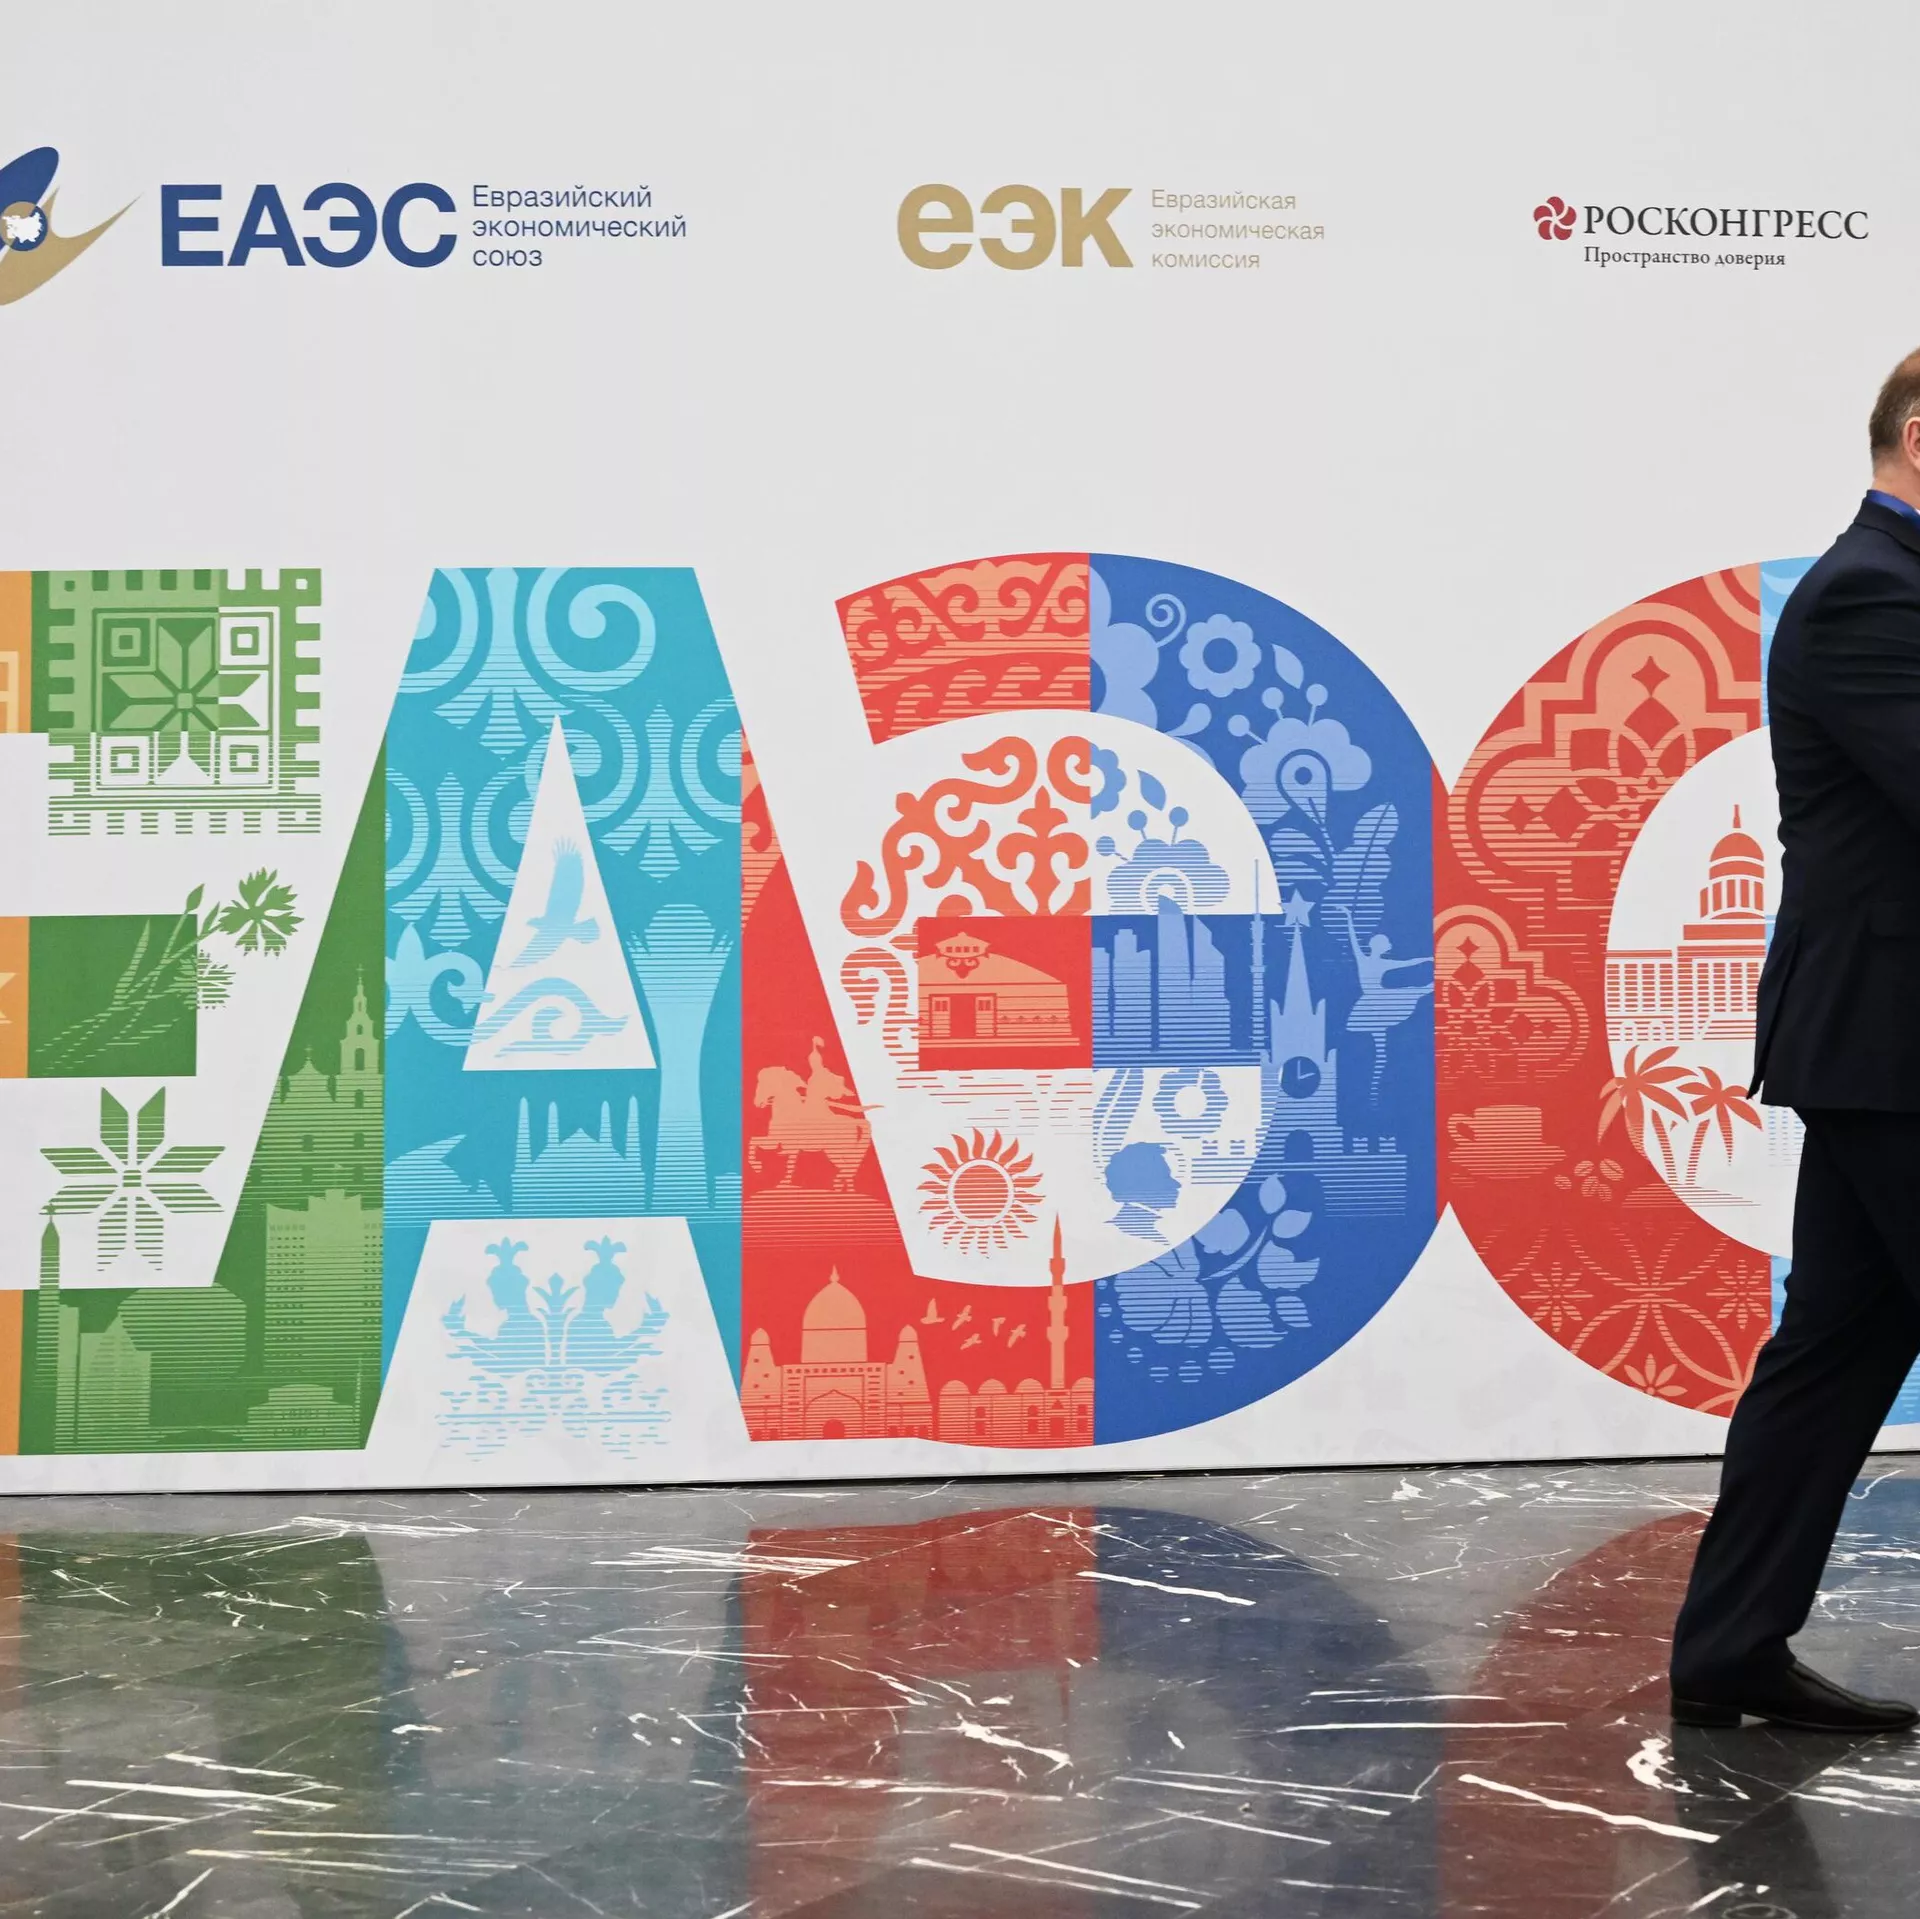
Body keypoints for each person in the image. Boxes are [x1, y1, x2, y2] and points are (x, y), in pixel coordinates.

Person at [1668, 350, 1920, 1734]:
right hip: (1894, 1041)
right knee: (1830, 1346)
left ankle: (1728, 1647)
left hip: (1882, 1044)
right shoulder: (1871, 593)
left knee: (1831, 1348)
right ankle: (1728, 1645)